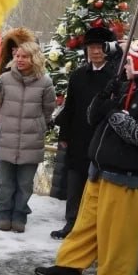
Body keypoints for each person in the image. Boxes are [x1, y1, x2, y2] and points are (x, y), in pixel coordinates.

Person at [35, 38, 138, 275]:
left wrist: (114, 112)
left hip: (127, 178)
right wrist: (103, 97)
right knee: (85, 226)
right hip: (99, 172)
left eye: (131, 62)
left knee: (119, 234)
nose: (125, 66)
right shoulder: (123, 88)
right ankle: (70, 265)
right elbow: (92, 117)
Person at [50, 27, 118, 239]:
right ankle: (72, 222)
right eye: (91, 47)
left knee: (97, 185)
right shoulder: (79, 75)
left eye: (99, 47)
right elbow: (69, 108)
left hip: (102, 138)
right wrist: (64, 137)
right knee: (75, 183)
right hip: (78, 136)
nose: (95, 52)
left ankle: (94, 227)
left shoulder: (116, 76)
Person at [0, 39, 55, 232]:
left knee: (25, 183)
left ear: (34, 58)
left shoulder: (45, 82)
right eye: (17, 55)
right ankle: (4, 214)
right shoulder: (4, 79)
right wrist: (1, 125)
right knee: (5, 183)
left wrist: (37, 126)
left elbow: (48, 110)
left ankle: (20, 215)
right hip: (7, 138)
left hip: (31, 140)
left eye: (24, 56)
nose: (19, 59)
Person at [0, 28, 36, 213]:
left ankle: (18, 206)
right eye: (13, 47)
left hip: (23, 126)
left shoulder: (34, 73)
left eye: (20, 48)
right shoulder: (0, 69)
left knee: (19, 171)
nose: (16, 52)